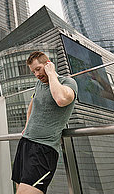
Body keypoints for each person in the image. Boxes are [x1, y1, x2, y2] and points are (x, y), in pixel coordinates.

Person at [12, 51, 77, 194]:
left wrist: (52, 73)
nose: (36, 74)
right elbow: (32, 103)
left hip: (44, 149)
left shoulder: (68, 82)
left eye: (38, 69)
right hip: (26, 144)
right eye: (33, 71)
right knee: (18, 190)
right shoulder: (39, 85)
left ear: (48, 64)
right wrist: (27, 125)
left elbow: (60, 99)